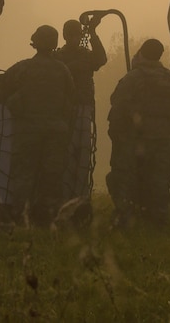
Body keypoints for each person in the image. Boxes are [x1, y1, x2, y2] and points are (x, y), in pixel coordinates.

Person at [106, 39, 170, 228]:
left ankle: (125, 218)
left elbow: (118, 105)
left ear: (141, 53)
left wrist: (117, 134)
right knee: (159, 179)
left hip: (135, 137)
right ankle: (159, 219)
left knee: (125, 177)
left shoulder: (133, 78)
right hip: (162, 138)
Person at [2, 25, 75, 226]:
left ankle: (20, 216)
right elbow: (71, 98)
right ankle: (48, 217)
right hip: (56, 130)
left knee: (25, 173)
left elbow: (1, 88)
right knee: (52, 175)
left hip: (28, 129)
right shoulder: (62, 69)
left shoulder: (23, 68)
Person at [54, 14, 107, 202]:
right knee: (66, 154)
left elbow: (101, 59)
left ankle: (80, 196)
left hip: (83, 109)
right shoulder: (57, 56)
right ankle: (65, 196)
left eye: (76, 34)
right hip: (64, 111)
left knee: (83, 152)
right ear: (65, 36)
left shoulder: (86, 55)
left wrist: (92, 32)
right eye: (70, 35)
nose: (73, 38)